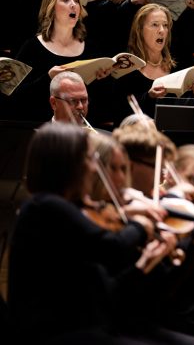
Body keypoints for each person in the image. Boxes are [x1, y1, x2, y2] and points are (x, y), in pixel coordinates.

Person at [7, 122, 168, 344]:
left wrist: (145, 262)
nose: (94, 168)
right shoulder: (45, 207)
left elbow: (106, 291)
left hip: (86, 327)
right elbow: (111, 247)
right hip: (54, 334)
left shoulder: (61, 208)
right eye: (89, 159)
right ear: (67, 164)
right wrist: (139, 226)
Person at [15, 0, 108, 123]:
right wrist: (48, 78)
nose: (73, 5)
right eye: (65, 0)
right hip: (40, 127)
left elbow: (100, 104)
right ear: (51, 8)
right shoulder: (32, 47)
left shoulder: (92, 48)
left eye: (76, 1)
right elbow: (16, 97)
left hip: (82, 127)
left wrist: (102, 80)